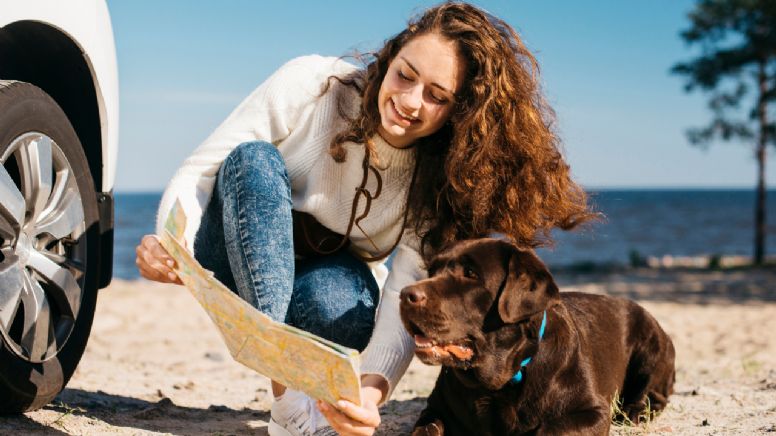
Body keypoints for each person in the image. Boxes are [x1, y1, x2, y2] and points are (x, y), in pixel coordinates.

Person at [135, 3, 596, 435]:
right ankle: (288, 401)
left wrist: (369, 397)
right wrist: (168, 241)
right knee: (253, 161)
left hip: (316, 273)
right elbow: (202, 170)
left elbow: (403, 295)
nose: (410, 102)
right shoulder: (313, 83)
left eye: (436, 96)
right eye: (405, 75)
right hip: (230, 241)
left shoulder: (437, 181)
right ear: (389, 57)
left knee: (351, 309)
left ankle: (291, 380)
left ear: (460, 111)